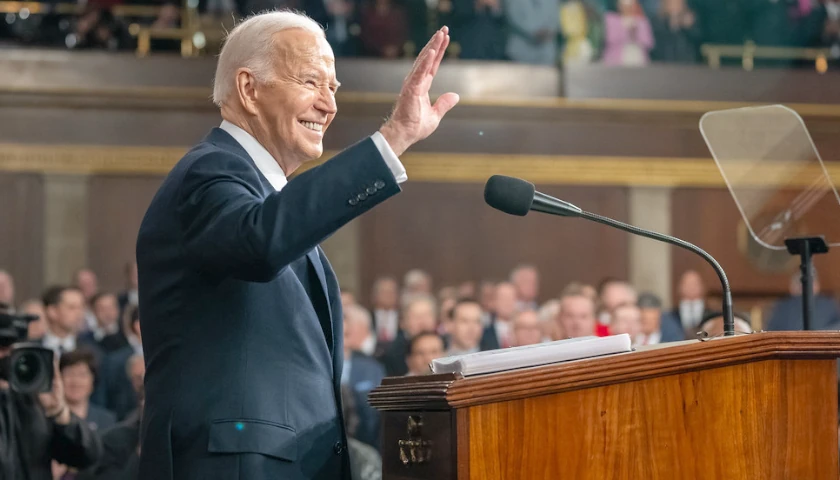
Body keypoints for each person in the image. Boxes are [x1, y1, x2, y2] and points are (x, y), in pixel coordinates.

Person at [135, 11, 458, 480]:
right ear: (249, 89)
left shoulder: (260, 194)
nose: (329, 105)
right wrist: (393, 139)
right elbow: (261, 240)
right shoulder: (209, 172)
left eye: (333, 88)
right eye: (311, 81)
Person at [0, 310, 102, 480]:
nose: (7, 356)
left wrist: (59, 411)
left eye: (12, 347)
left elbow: (87, 455)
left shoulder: (33, 401)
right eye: (2, 347)